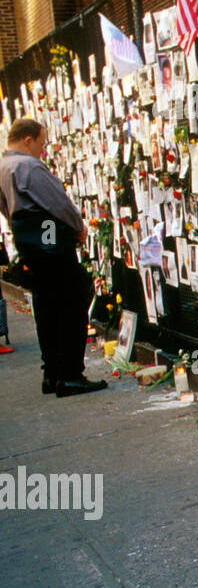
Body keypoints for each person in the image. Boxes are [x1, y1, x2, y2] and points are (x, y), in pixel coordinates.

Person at [0, 119, 106, 396]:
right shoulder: (28, 166)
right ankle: (71, 374)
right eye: (41, 144)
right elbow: (57, 203)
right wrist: (77, 227)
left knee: (45, 303)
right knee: (72, 296)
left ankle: (52, 373)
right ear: (28, 140)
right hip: (47, 233)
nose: (42, 151)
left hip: (26, 237)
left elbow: (4, 207)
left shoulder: (3, 167)